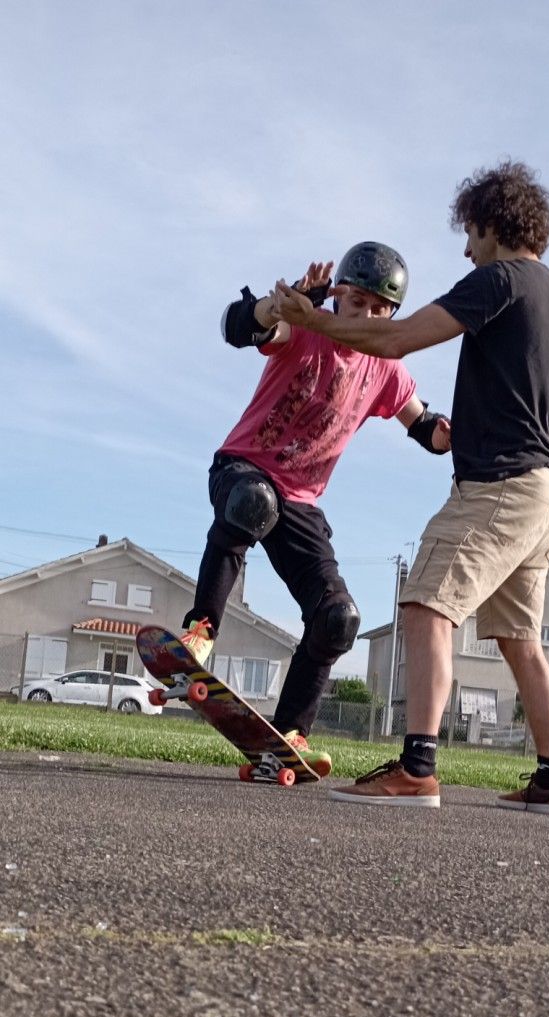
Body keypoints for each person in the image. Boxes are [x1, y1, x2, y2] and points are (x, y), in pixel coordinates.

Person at [273, 161, 549, 812]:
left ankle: (416, 767)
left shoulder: (499, 278)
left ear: (490, 225)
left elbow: (398, 338)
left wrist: (315, 318)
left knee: (423, 606)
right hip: (547, 490)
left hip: (498, 487)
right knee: (518, 639)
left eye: (467, 235)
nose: (465, 251)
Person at [181, 242, 451, 777]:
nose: (369, 320)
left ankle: (289, 735)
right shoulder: (307, 324)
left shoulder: (385, 366)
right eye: (359, 307)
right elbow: (240, 327)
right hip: (245, 471)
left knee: (338, 619)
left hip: (303, 503)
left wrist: (462, 434)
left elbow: (426, 429)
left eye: (381, 312)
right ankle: (201, 630)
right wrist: (274, 308)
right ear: (339, 296)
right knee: (252, 503)